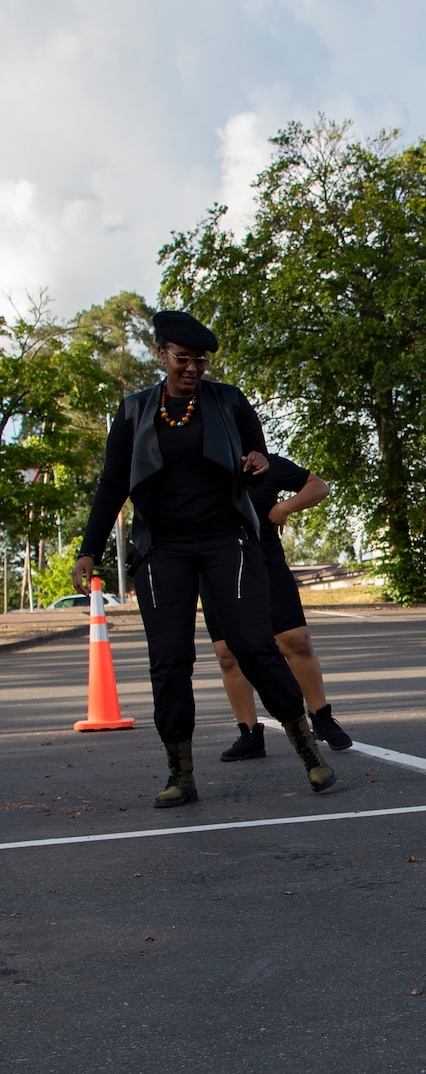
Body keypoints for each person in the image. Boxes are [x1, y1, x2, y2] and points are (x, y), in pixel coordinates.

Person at [72, 312, 336, 806]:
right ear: (161, 355)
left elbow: (258, 456)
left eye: (201, 361)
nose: (193, 368)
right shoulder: (133, 412)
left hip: (225, 542)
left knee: (254, 647)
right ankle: (181, 773)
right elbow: (112, 485)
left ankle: (308, 753)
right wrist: (89, 547)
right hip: (162, 551)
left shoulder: (228, 400)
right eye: (182, 359)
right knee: (170, 662)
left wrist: (257, 462)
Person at [206, 454, 353, 760]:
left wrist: (286, 506)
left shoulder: (265, 464)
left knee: (295, 641)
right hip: (215, 566)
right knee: (227, 654)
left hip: (265, 561)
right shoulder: (203, 465)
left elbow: (319, 487)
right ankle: (249, 735)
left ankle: (322, 719)